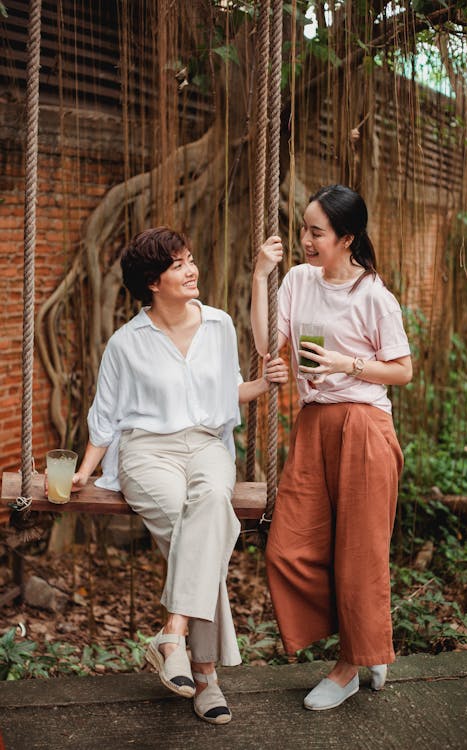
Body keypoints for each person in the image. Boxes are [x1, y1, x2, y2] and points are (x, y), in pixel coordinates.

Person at [71, 226, 287, 725]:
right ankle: (207, 677)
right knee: (197, 532)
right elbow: (106, 417)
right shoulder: (126, 343)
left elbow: (227, 391)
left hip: (209, 444)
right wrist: (85, 470)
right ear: (152, 281)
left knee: (211, 503)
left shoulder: (220, 325)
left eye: (190, 259)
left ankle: (173, 633)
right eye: (178, 265)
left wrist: (262, 382)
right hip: (148, 453)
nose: (192, 270)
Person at [251, 184, 412, 711]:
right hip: (313, 424)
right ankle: (366, 639)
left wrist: (347, 364)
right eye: (303, 228)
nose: (304, 239)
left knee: (359, 555)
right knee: (289, 547)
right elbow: (264, 343)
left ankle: (349, 666)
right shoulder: (298, 280)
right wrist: (259, 276)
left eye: (315, 232)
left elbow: (404, 371)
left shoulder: (374, 297)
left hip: (364, 426)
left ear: (346, 238)